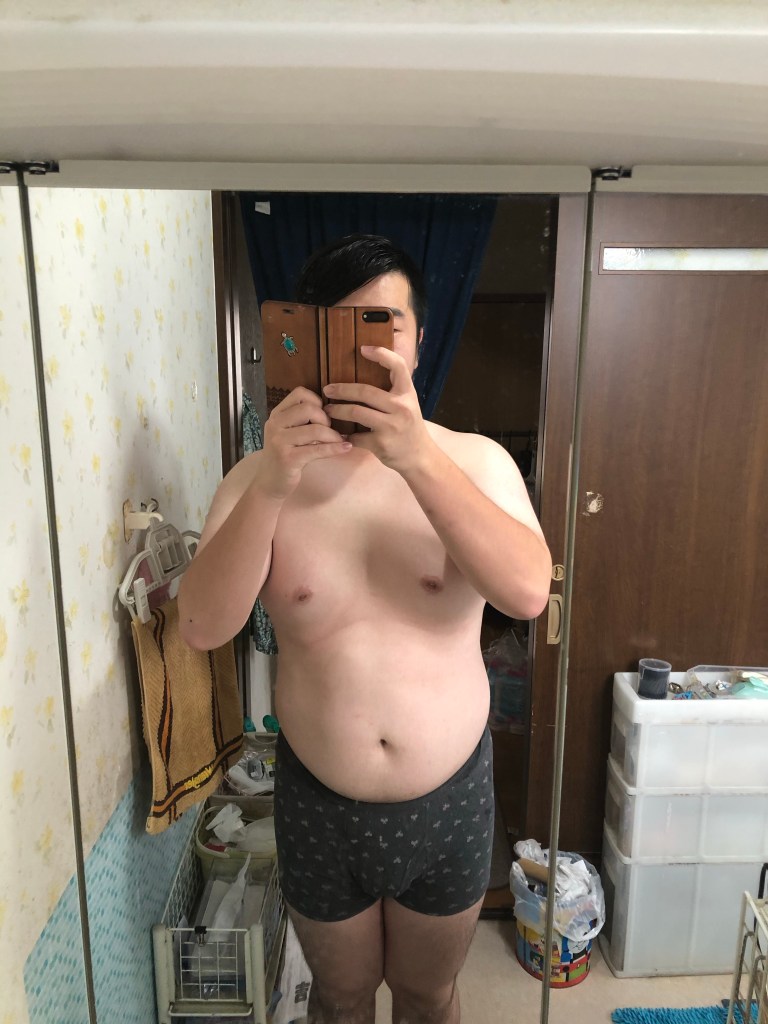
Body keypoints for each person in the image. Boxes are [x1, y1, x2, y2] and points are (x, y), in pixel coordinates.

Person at [179, 234, 552, 1024]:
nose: (360, 351)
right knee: (341, 1001)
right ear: (304, 340)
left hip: (449, 801)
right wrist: (275, 479)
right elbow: (203, 626)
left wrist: (416, 459)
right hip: (320, 802)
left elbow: (527, 594)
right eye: (338, 329)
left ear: (417, 341)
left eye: (380, 325)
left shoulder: (476, 462)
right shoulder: (256, 480)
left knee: (427, 997)